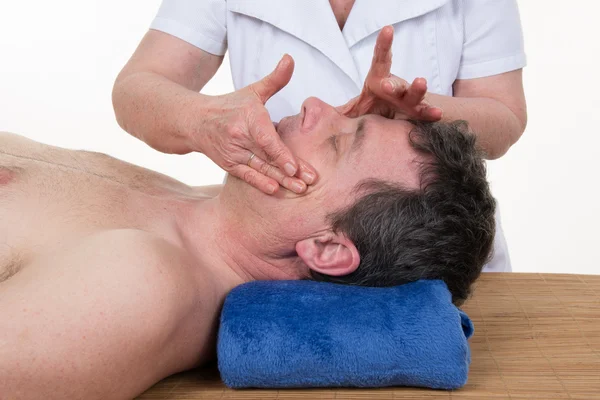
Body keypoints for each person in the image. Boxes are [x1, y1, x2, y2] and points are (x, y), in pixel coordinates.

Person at [0, 97, 495, 398]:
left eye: (338, 142)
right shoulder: (191, 208)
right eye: (346, 116)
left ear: (325, 248)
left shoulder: (141, 284)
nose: (315, 105)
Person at [112, 0, 527, 273]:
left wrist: (425, 111)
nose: (312, 104)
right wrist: (203, 120)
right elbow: (135, 90)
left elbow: (505, 117)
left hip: (420, 255)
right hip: (275, 256)